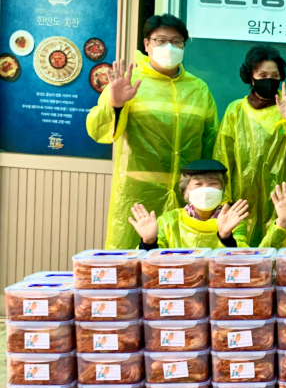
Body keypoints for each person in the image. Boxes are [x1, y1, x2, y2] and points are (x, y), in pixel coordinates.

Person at [87, 14, 219, 249]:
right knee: (132, 260)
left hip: (187, 197)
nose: (169, 47)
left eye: (176, 42)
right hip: (139, 195)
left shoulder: (199, 89)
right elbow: (100, 132)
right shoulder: (128, 83)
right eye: (161, 40)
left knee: (183, 262)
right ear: (147, 44)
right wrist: (115, 105)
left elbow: (210, 144)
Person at [213, 45, 286, 246]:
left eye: (274, 75)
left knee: (277, 253)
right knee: (241, 257)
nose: (269, 80)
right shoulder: (235, 110)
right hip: (241, 202)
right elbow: (223, 157)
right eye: (263, 75)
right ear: (251, 78)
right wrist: (224, 201)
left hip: (281, 201)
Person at [128, 160, 249, 249]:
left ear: (222, 190)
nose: (205, 190)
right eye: (198, 184)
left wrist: (226, 238)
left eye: (213, 184)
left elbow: (241, 261)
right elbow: (152, 265)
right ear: (185, 191)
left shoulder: (233, 221)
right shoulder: (169, 221)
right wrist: (149, 242)